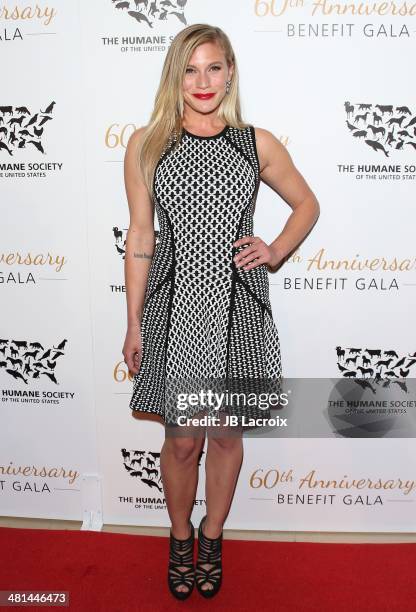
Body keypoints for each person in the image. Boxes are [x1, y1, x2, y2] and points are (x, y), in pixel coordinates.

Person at [122, 23, 320, 600]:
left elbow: (307, 204)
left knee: (227, 435)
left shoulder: (253, 142)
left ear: (230, 70)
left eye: (213, 68)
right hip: (177, 307)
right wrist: (133, 322)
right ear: (174, 76)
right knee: (184, 439)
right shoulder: (148, 143)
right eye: (190, 69)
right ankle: (180, 535)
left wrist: (275, 249)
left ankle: (213, 535)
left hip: (236, 309)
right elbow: (140, 237)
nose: (202, 81)